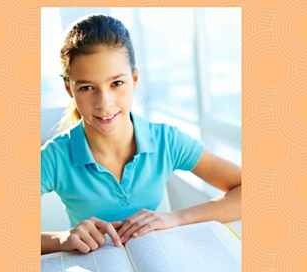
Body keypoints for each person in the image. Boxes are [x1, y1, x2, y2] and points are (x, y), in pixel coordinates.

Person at [40, 14, 241, 255]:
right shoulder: (54, 156)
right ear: (69, 89)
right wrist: (61, 240)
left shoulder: (167, 141)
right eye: (86, 87)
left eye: (116, 83)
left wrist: (176, 218)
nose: (104, 103)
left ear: (134, 79)